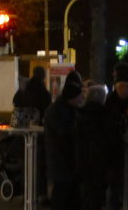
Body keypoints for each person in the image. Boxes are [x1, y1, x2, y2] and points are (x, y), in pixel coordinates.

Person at [13, 65, 52, 201]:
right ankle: (42, 194)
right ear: (43, 76)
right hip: (39, 133)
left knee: (26, 164)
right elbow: (47, 109)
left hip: (24, 132)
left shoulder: (25, 90)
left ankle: (27, 193)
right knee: (41, 164)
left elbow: (16, 102)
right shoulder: (44, 93)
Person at [105, 61, 128, 209]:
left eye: (126, 86)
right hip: (114, 152)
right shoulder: (110, 102)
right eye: (121, 86)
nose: (124, 90)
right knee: (115, 187)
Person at [44, 80, 83, 210]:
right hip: (62, 161)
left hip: (66, 162)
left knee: (68, 195)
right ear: (72, 97)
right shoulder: (58, 111)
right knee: (61, 195)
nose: (82, 98)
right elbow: (63, 133)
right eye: (79, 96)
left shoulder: (68, 109)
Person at [75, 84, 116, 210]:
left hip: (82, 159)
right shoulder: (107, 115)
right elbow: (111, 139)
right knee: (97, 195)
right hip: (100, 161)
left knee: (85, 193)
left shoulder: (80, 115)